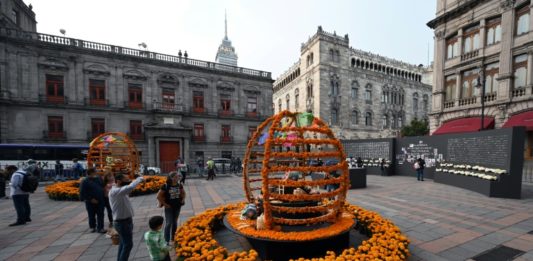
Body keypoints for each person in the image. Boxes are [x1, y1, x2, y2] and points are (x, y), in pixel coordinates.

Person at [109, 172, 144, 261]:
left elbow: (128, 188)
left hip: (127, 220)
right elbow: (130, 187)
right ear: (119, 181)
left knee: (123, 243)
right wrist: (139, 179)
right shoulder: (115, 191)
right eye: (126, 179)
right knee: (128, 244)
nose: (128, 180)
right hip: (122, 222)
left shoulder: (119, 189)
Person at [156, 172, 185, 245]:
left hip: (177, 206)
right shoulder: (165, 186)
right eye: (175, 177)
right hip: (169, 207)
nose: (177, 178)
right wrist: (165, 204)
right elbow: (158, 196)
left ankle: (173, 238)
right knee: (168, 223)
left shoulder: (179, 185)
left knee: (175, 222)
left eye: (178, 177)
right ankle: (166, 240)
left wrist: (183, 199)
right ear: (171, 178)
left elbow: (183, 193)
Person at [79, 168, 106, 233]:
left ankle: (100, 228)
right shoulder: (85, 181)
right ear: (91, 172)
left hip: (100, 200)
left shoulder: (99, 178)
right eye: (96, 171)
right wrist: (90, 199)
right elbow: (82, 192)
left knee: (101, 214)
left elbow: (103, 186)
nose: (97, 172)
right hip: (90, 202)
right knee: (91, 214)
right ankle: (92, 227)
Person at [9, 162, 33, 226]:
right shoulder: (23, 172)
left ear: (12, 169)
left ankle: (21, 220)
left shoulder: (16, 174)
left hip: (17, 193)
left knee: (19, 207)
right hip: (26, 192)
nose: (9, 173)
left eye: (9, 171)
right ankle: (27, 217)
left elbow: (14, 184)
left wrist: (10, 183)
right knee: (26, 205)